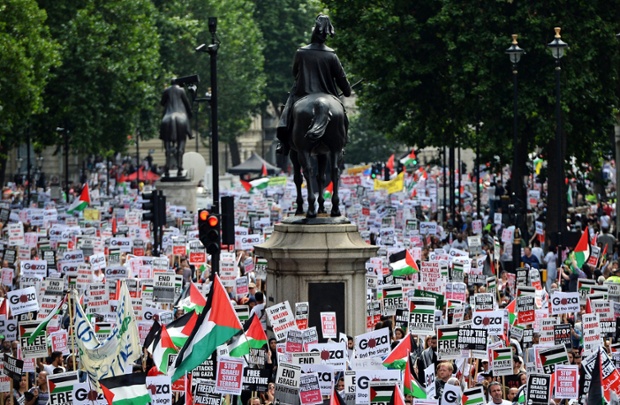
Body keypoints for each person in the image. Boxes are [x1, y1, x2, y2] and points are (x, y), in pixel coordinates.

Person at [276, 14, 352, 155]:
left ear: (314, 32)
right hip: (329, 95)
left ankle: (283, 143)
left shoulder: (301, 52)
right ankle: (342, 143)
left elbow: (295, 74)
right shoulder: (332, 55)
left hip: (303, 94)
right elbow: (342, 80)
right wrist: (347, 90)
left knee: (286, 114)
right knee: (343, 117)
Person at [160, 81, 193, 177]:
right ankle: (179, 167)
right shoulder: (181, 90)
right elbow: (186, 103)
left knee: (166, 142)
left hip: (168, 115)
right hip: (180, 116)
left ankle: (167, 168)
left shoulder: (166, 90)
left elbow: (162, 103)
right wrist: (190, 113)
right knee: (181, 141)